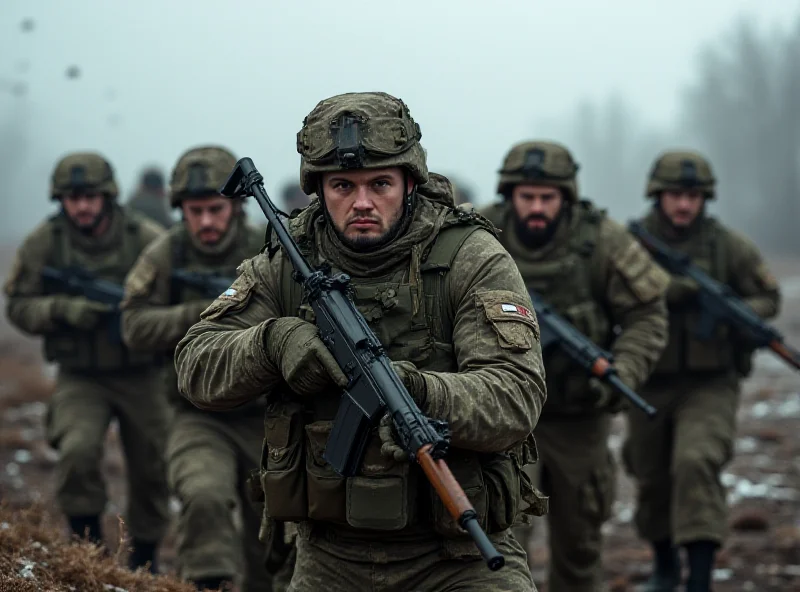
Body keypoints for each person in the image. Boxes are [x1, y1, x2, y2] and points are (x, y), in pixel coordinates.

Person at [173, 91, 548, 592]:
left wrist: (419, 391)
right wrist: (272, 343)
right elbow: (196, 364)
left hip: (457, 555)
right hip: (330, 555)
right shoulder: (287, 262)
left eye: (381, 184)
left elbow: (516, 394)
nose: (363, 202)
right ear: (319, 189)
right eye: (343, 185)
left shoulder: (471, 257)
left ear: (410, 183)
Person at [479, 141, 669, 592]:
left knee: (580, 545)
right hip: (500, 420)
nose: (537, 208)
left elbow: (647, 313)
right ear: (510, 195)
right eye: (527, 197)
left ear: (566, 196)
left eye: (548, 198)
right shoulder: (479, 234)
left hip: (580, 418)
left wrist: (623, 370)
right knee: (499, 543)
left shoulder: (601, 240)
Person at [3, 152, 170, 572]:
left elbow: (172, 301)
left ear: (108, 196)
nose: (80, 206)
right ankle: (88, 552)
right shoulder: (46, 241)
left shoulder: (146, 238)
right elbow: (19, 305)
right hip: (81, 375)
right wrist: (63, 309)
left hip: (142, 375)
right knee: (76, 450)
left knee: (153, 467)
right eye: (71, 198)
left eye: (89, 196)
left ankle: (145, 559)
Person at [623, 150, 781, 592]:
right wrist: (679, 291)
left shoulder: (728, 246)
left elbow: (768, 298)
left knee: (696, 463)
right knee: (650, 474)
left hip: (710, 382)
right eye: (675, 194)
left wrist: (734, 313)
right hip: (647, 381)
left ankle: (701, 578)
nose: (683, 205)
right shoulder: (629, 245)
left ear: (705, 198)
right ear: (658, 195)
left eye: (692, 195)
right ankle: (665, 568)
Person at [120, 146, 273, 591]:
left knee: (273, 532)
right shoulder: (165, 254)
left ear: (237, 206)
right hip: (195, 413)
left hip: (268, 416)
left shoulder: (268, 247)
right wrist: (199, 315)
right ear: (179, 209)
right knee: (203, 495)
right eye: (194, 210)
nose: (205, 221)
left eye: (215, 209)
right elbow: (132, 324)